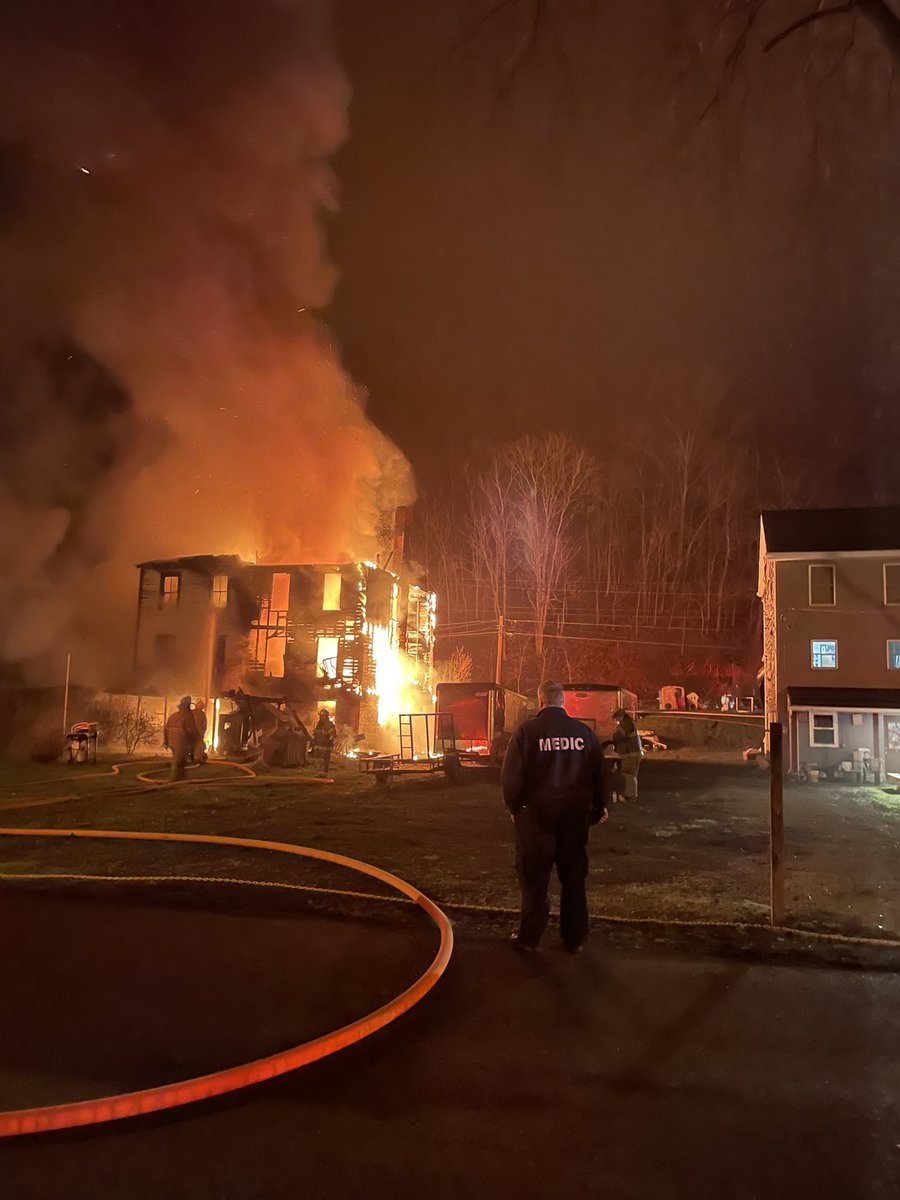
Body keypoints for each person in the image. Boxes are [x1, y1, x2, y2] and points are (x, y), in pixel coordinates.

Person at [500, 680, 611, 954]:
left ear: (540, 701)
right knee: (573, 878)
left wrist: (515, 808)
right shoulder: (584, 733)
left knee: (534, 878)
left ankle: (530, 937)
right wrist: (599, 808)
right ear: (564, 701)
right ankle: (575, 937)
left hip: (536, 817)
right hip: (574, 817)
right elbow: (598, 773)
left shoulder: (527, 732)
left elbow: (510, 777)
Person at [610, 707, 643, 802]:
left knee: (629, 775)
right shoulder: (627, 722)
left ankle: (631, 797)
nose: (615, 720)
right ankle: (630, 795)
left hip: (631, 754)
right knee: (628, 774)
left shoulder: (626, 724)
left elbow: (617, 736)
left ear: (620, 716)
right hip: (630, 754)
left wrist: (610, 738)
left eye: (615, 718)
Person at [163, 696, 199, 782]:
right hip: (182, 743)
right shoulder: (188, 717)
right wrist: (197, 738)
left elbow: (165, 729)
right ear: (188, 706)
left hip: (172, 743)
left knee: (178, 760)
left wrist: (166, 741)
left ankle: (180, 778)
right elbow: (191, 731)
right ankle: (173, 780)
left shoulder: (173, 716)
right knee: (179, 761)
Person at [312, 708, 337, 778]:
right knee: (318, 760)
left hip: (325, 746)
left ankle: (324, 774)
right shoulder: (318, 724)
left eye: (322, 716)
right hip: (318, 746)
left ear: (326, 716)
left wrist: (329, 742)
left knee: (324, 760)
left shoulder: (329, 724)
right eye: (320, 716)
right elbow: (315, 734)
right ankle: (319, 773)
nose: (320, 717)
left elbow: (332, 734)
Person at [191, 698, 208, 764]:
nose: (199, 706)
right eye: (198, 704)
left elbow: (204, 725)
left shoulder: (203, 715)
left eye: (201, 705)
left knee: (199, 745)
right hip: (191, 733)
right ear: (196, 705)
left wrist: (202, 733)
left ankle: (197, 758)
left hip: (199, 733)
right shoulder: (192, 713)